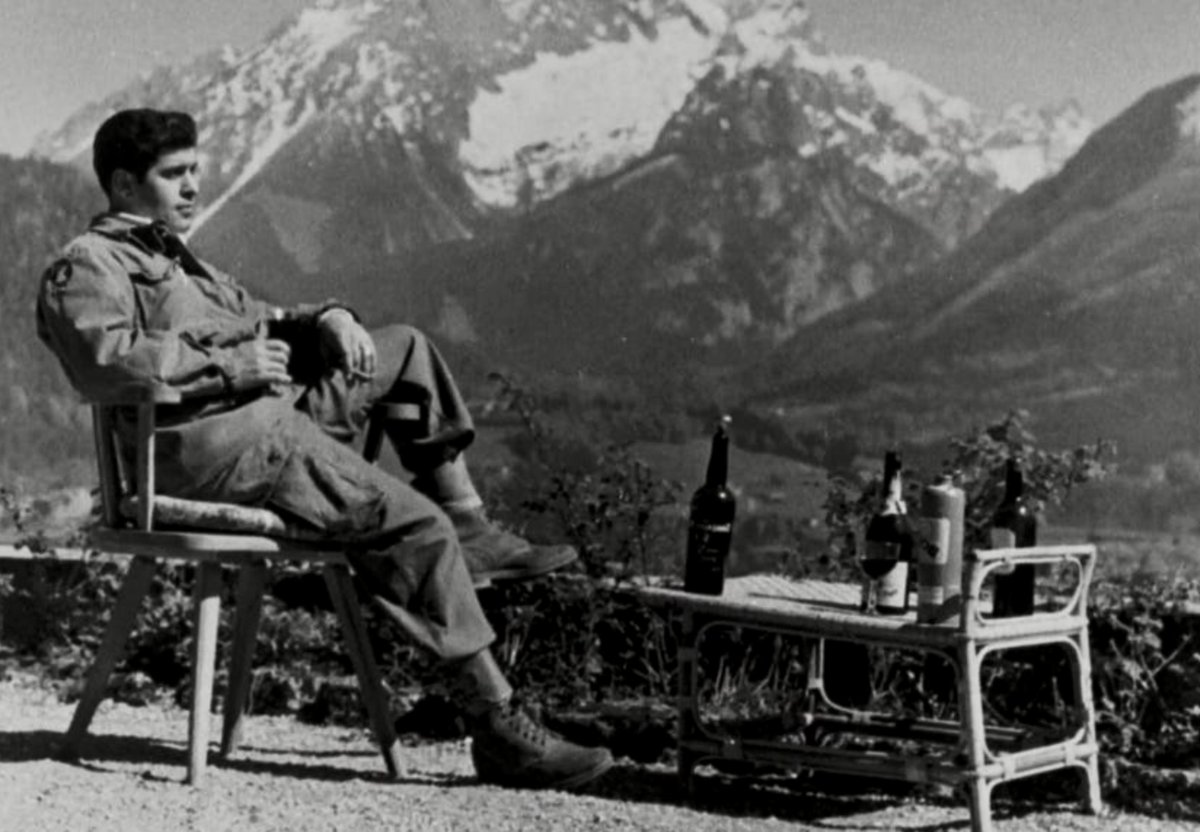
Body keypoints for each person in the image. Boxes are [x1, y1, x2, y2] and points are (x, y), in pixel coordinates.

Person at [36, 108, 613, 791]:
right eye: (174, 175)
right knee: (412, 528)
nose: (193, 187)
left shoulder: (175, 256)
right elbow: (105, 362)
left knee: (402, 348)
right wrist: (231, 369)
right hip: (219, 456)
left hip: (267, 422)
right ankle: (497, 724)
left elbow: (266, 319)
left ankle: (468, 520)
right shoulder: (89, 264)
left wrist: (329, 318)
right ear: (125, 185)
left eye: (195, 170)